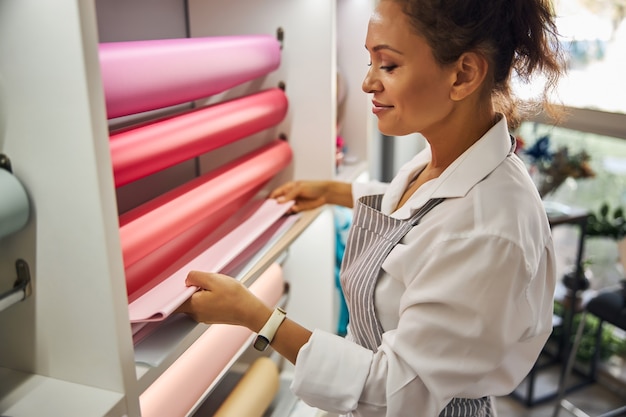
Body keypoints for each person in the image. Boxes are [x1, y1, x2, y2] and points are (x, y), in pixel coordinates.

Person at [177, 0, 565, 415]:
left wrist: (259, 318)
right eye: (369, 61)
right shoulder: (444, 159)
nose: (367, 83)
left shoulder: (489, 231)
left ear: (463, 74)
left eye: (389, 65)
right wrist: (333, 191)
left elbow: (396, 390)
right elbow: (419, 213)